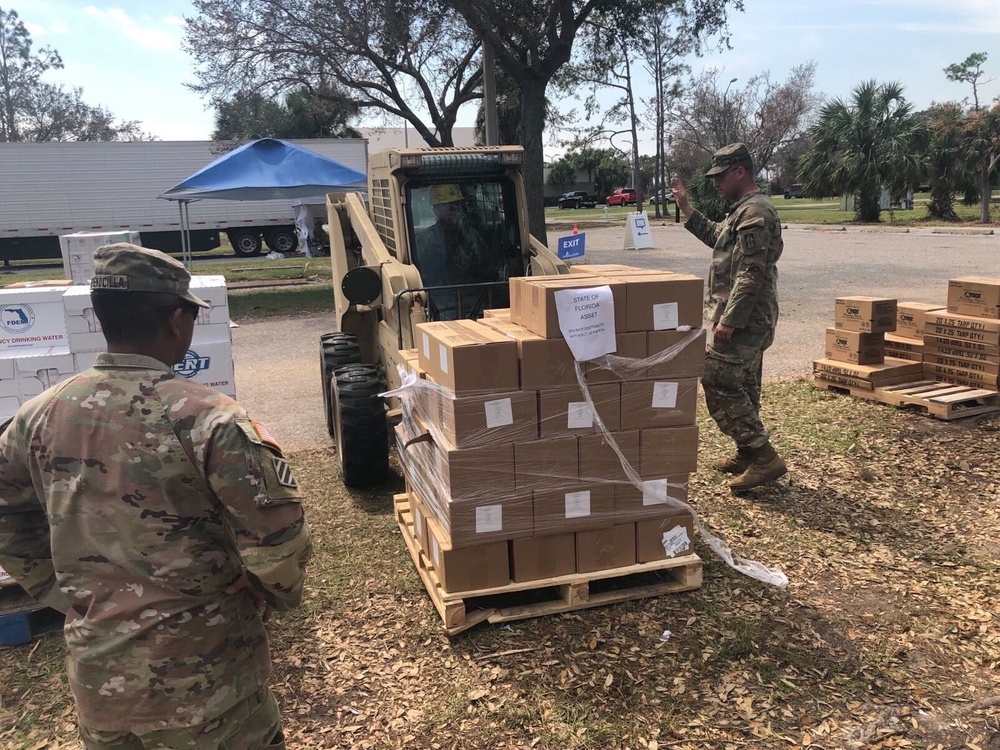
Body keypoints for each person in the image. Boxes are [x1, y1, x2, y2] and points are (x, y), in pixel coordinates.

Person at [0, 244, 312, 749]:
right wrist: (270, 595)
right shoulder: (209, 418)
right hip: (211, 687)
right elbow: (280, 539)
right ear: (176, 321)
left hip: (103, 685)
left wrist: (59, 593)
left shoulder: (36, 415)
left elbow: (7, 516)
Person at [671, 144, 787, 491]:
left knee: (718, 377)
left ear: (740, 172)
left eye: (720, 177)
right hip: (747, 317)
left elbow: (752, 271)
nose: (716, 184)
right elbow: (716, 238)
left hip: (745, 318)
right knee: (746, 383)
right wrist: (686, 208)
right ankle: (748, 452)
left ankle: (763, 456)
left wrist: (730, 320)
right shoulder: (741, 211)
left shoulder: (756, 212)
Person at [414, 183, 490, 318]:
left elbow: (484, 266)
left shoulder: (470, 235)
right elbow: (421, 277)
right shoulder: (425, 240)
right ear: (436, 209)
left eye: (456, 204)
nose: (454, 209)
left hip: (472, 297)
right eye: (448, 205)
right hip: (440, 299)